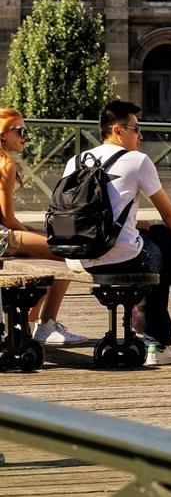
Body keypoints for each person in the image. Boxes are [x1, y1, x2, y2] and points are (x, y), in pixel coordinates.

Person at [67, 101, 171, 365]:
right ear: (117, 130)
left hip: (80, 257)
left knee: (154, 239)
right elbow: (169, 214)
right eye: (136, 129)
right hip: (121, 256)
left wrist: (139, 226)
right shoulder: (137, 160)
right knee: (163, 244)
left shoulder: (75, 161)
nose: (141, 136)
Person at [0, 108, 91, 345]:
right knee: (64, 250)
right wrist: (35, 233)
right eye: (20, 131)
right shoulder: (6, 164)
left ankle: (30, 324)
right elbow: (8, 221)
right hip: (1, 238)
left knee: (52, 243)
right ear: (2, 135)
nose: (25, 137)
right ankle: (45, 324)